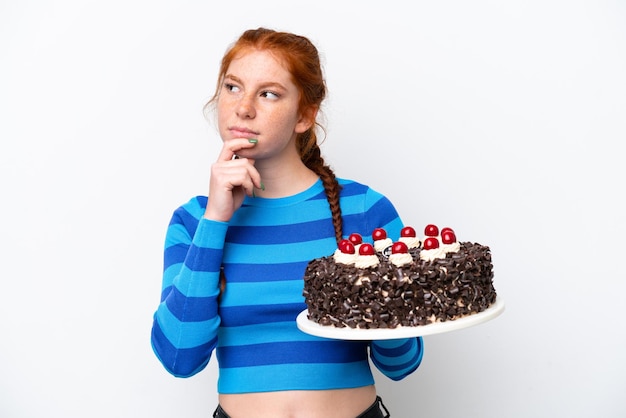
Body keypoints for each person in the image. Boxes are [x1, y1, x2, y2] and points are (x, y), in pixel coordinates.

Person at [151, 27, 424, 418]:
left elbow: (402, 363)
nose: (243, 108)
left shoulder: (365, 210)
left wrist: (377, 291)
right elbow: (179, 357)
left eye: (268, 93)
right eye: (232, 87)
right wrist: (215, 221)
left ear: (304, 115)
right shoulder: (194, 221)